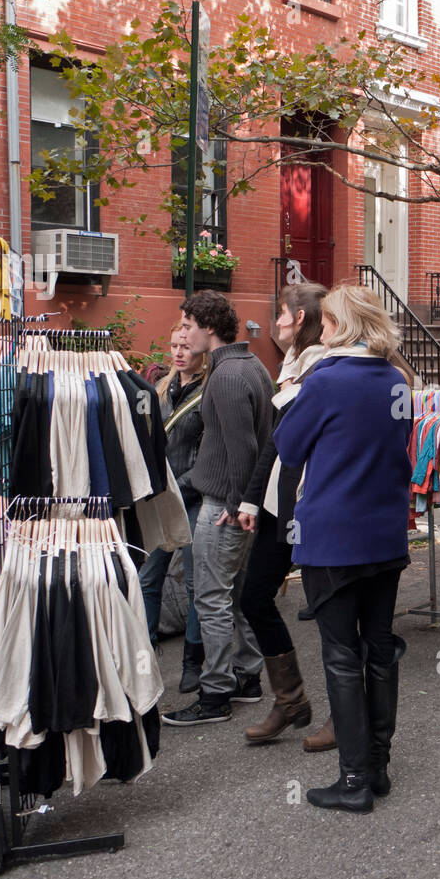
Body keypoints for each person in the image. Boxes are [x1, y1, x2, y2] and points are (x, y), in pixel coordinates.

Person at [274, 285, 413, 813]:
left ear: (342, 326)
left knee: (340, 655)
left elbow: (287, 448)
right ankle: (377, 767)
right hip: (385, 532)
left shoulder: (326, 380)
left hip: (332, 535)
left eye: (327, 323)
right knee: (379, 648)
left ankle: (353, 780)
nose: (322, 331)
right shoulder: (397, 378)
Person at [163, 291, 274, 727]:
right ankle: (247, 679)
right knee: (234, 596)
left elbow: (243, 448)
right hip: (240, 504)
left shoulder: (226, 376)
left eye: (187, 324)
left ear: (208, 327)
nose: (183, 334)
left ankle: (215, 695)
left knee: (210, 599)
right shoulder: (253, 366)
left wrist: (237, 503)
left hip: (224, 506)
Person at [236, 283, 331, 746]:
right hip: (279, 503)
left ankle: (344, 712)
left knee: (331, 612)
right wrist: (252, 499)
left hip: (313, 506)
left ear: (301, 318)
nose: (275, 321)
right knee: (254, 597)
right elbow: (275, 443)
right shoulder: (291, 367)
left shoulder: (324, 369)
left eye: (282, 314)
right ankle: (291, 699)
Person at [137, 325, 206, 691]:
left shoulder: (209, 391)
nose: (178, 353)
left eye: (186, 347)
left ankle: (193, 662)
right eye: (174, 346)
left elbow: (208, 456)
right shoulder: (161, 388)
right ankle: (144, 656)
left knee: (195, 584)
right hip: (159, 496)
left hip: (193, 496)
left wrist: (175, 488)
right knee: (148, 577)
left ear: (201, 350)